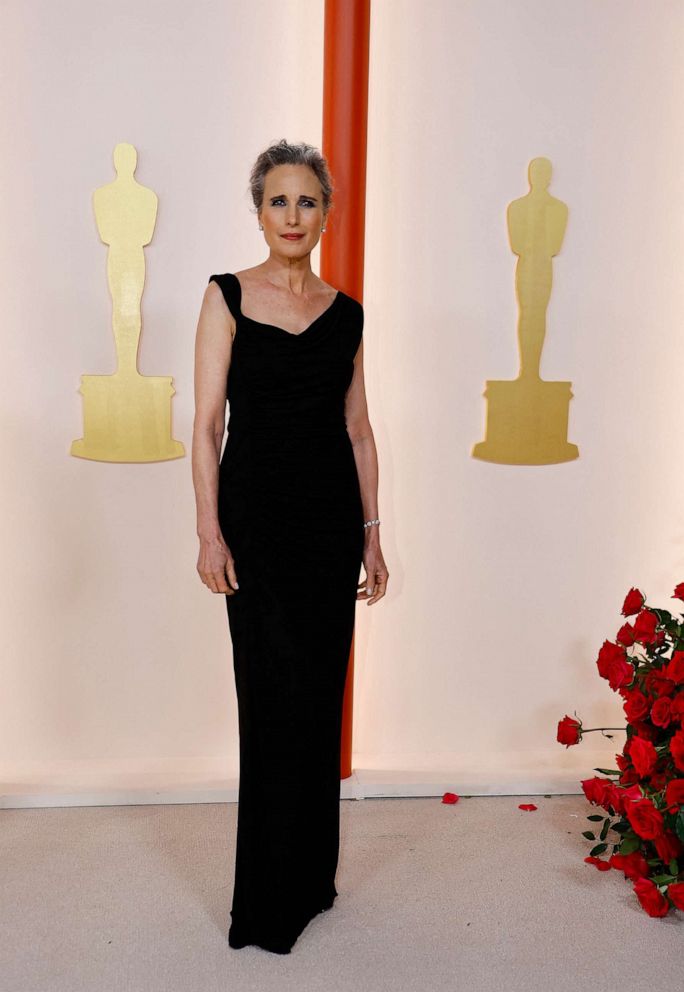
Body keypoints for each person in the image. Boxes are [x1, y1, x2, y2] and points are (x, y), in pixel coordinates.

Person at [191, 139, 389, 954]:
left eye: (307, 201)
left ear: (325, 212)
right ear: (258, 209)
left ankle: (310, 879)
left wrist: (374, 536)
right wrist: (208, 529)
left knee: (315, 696)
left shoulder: (347, 312)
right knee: (269, 698)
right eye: (279, 201)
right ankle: (265, 901)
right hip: (256, 525)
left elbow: (359, 428)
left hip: (329, 526)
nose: (293, 216)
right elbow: (205, 428)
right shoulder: (226, 295)